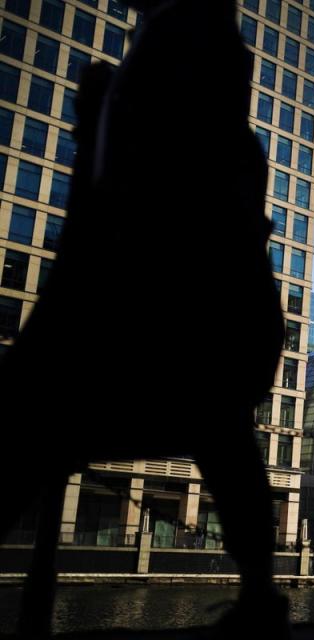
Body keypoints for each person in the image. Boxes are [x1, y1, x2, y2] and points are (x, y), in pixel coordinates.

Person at [0, 1, 287, 636]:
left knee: (27, 429)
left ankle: (260, 596)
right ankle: (260, 597)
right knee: (219, 428)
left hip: (163, 319)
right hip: (202, 321)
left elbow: (119, 216)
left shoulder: (168, 85)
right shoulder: (215, 116)